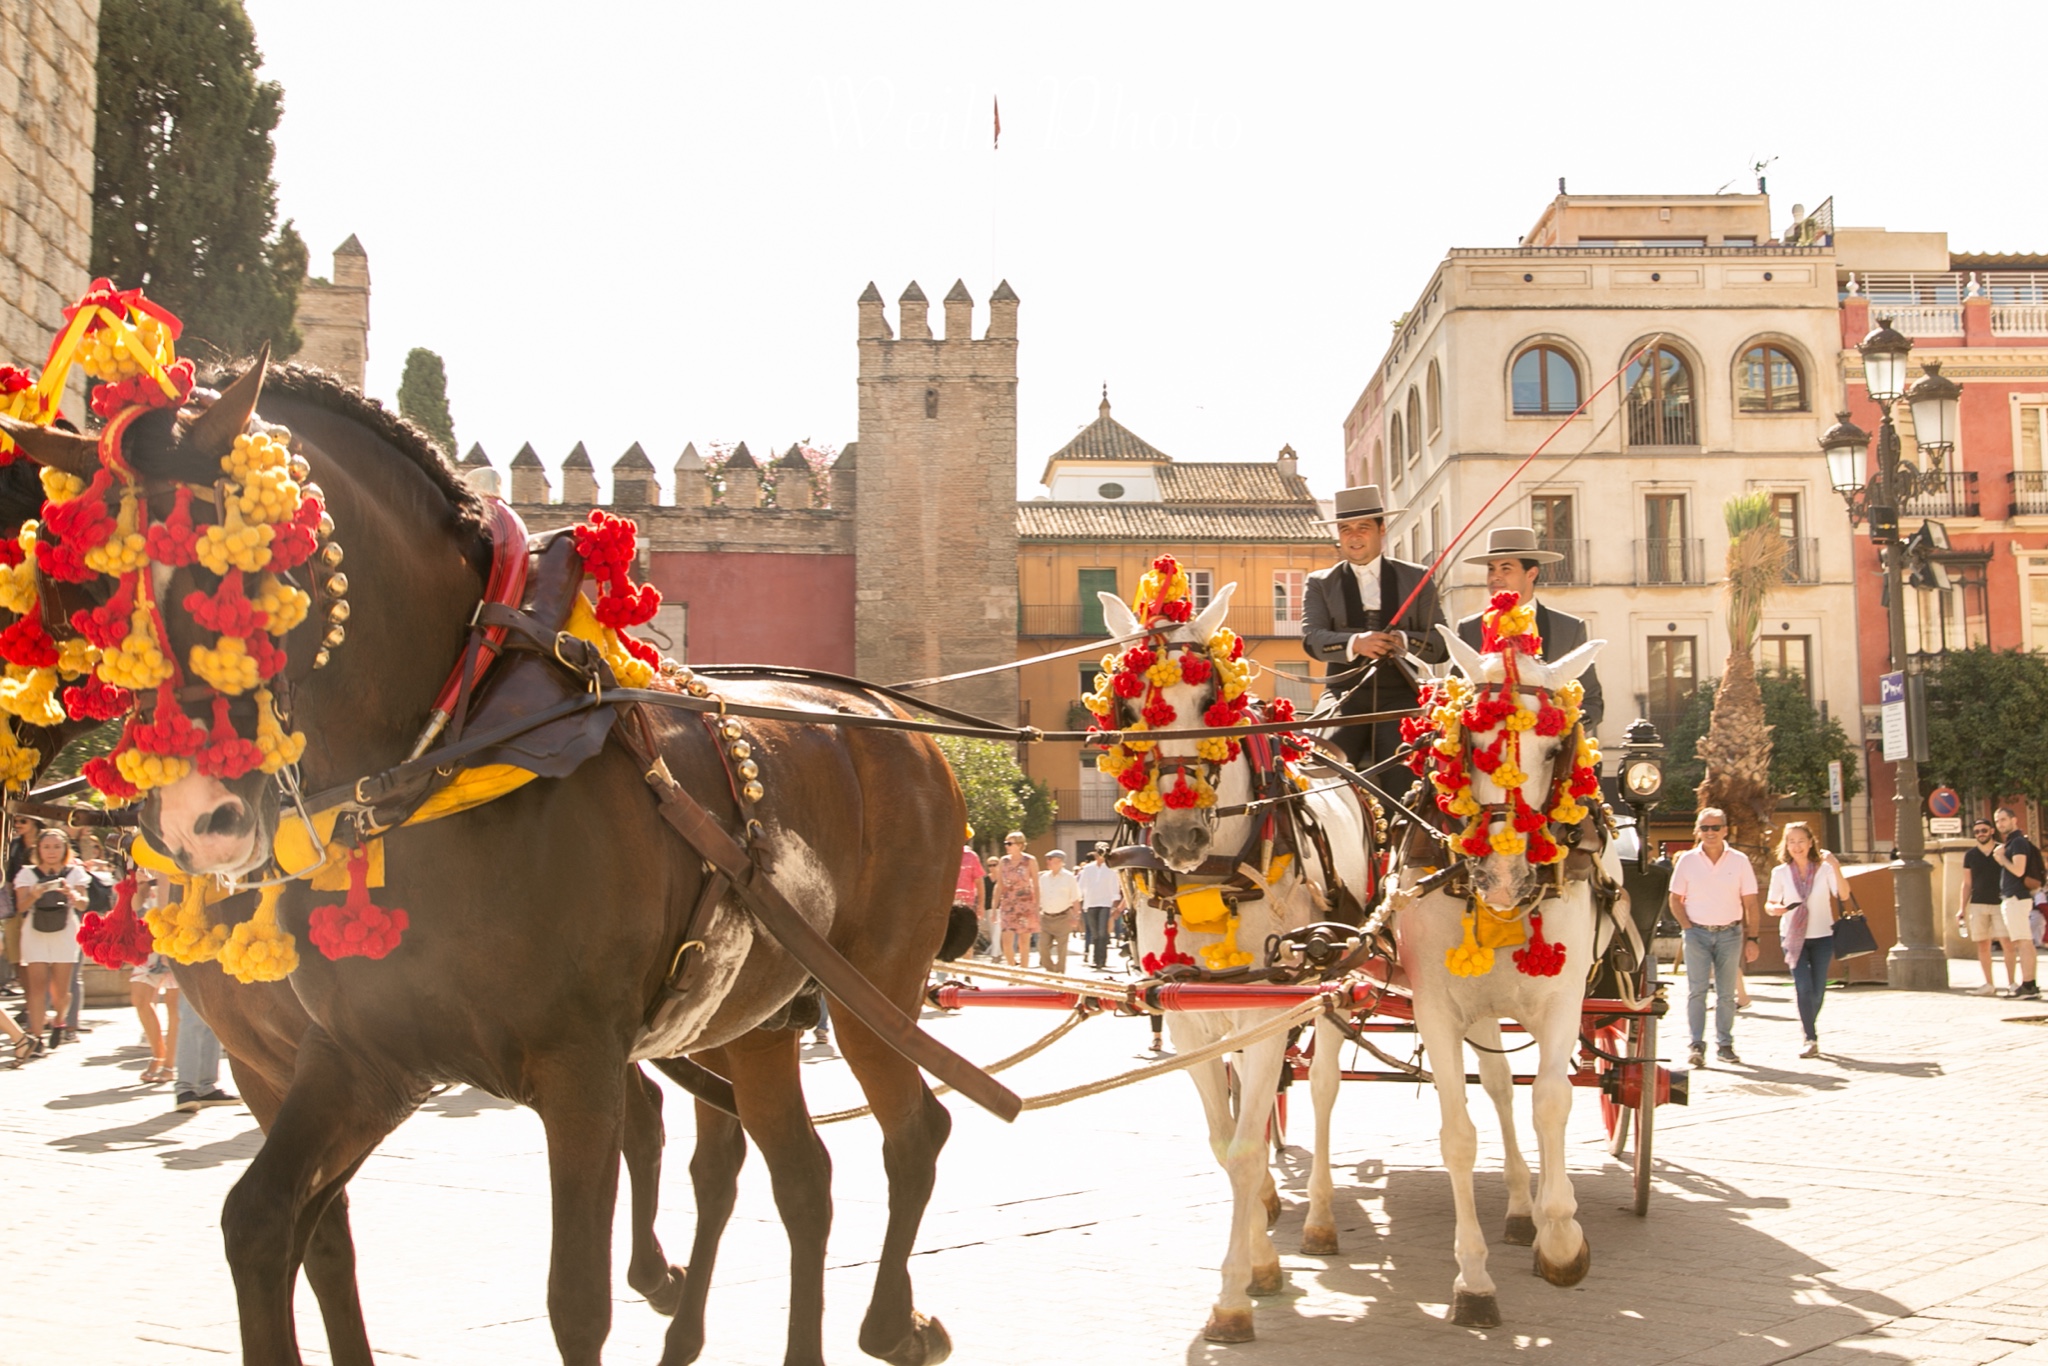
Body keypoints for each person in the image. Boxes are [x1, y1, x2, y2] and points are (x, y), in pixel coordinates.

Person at [1302, 485, 1447, 769]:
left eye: (1363, 527)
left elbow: (1440, 645)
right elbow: (1312, 639)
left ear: (1382, 529)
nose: (1354, 536)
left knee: (1403, 766)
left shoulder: (1417, 578)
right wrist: (1356, 643)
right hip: (1342, 694)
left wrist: (1403, 641)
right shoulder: (1320, 583)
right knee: (1322, 764)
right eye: (1345, 529)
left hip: (1402, 696)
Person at [1452, 526, 1603, 730]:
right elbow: (1456, 696)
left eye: (1506, 568)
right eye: (1491, 569)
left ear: (1531, 573)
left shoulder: (1568, 628)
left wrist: (1567, 730)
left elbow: (1592, 702)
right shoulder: (1469, 628)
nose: (1495, 577)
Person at [1667, 807, 1760, 1068]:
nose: (1710, 833)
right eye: (1705, 828)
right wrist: (1688, 927)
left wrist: (1753, 938)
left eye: (1715, 827)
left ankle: (1725, 1044)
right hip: (1697, 933)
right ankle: (1696, 1043)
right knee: (1696, 991)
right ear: (1697, 831)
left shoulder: (1739, 860)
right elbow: (1674, 898)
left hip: (1730, 933)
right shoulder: (1687, 860)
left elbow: (1751, 902)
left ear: (1725, 830)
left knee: (1726, 993)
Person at [1764, 822, 1846, 1058]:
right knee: (1803, 986)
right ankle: (1810, 1037)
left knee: (1818, 991)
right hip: (1792, 935)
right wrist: (1775, 909)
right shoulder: (1780, 872)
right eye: (1791, 842)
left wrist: (1836, 866)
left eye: (1801, 841)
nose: (1796, 846)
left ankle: (1808, 1026)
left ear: (1811, 842)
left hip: (1822, 936)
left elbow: (1843, 894)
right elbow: (1769, 903)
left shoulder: (1824, 869)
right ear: (1785, 845)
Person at [12, 828, 87, 1050]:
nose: (51, 851)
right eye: (46, 847)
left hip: (65, 931)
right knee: (37, 988)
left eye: (56, 846)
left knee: (61, 990)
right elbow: (20, 907)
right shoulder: (27, 874)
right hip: (35, 932)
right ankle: (36, 1038)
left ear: (65, 848)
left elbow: (84, 903)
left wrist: (72, 894)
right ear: (39, 849)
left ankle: (59, 1022)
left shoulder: (74, 873)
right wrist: (34, 894)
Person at [1989, 806, 2042, 1000]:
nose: (2000, 823)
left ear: (2014, 820)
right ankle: (2029, 985)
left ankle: (2028, 985)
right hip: (2014, 898)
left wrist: (2001, 858)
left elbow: (2019, 870)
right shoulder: (2012, 842)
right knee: (2022, 941)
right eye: (1998, 820)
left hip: (2017, 898)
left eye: (2004, 819)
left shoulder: (2018, 843)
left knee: (2023, 941)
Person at [1962, 818, 2017, 996]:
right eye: (1977, 831)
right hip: (1978, 904)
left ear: (1992, 831)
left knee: (2007, 944)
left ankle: (2012, 983)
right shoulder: (1970, 855)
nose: (1980, 834)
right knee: (1982, 945)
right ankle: (1988, 984)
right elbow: (1967, 883)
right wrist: (1961, 908)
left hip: (2000, 902)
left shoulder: (2002, 850)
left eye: (1984, 830)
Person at [992, 832, 1040, 968]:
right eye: (1006, 843)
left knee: (1024, 943)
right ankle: (1013, 969)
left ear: (1019, 845)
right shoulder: (1003, 861)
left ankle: (1023, 974)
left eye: (1010, 843)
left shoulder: (1030, 860)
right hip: (1008, 903)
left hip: (1026, 903)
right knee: (1006, 942)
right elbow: (999, 884)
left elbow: (1036, 884)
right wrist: (994, 907)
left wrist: (1037, 906)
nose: (1006, 846)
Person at [1077, 843, 1123, 972]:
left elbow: (1115, 887)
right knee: (1094, 933)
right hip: (1090, 903)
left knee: (1103, 932)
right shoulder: (1087, 869)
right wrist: (1079, 902)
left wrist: (1114, 905)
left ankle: (1101, 960)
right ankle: (1095, 959)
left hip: (1105, 903)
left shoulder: (1111, 869)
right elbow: (1081, 886)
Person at [1037, 850, 1081, 974]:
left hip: (1063, 917)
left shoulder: (1069, 877)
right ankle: (1050, 970)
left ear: (1060, 861)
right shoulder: (1044, 877)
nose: (1048, 862)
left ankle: (1060, 974)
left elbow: (1075, 899)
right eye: (1048, 859)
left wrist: (1076, 917)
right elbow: (1039, 897)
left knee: (1062, 950)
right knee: (1042, 947)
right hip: (1046, 918)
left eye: (1051, 859)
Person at [955, 836, 989, 959]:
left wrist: (981, 905)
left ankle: (967, 973)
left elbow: (980, 882)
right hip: (948, 904)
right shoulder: (945, 854)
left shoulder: (971, 856)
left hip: (967, 904)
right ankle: (953, 973)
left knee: (966, 938)